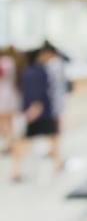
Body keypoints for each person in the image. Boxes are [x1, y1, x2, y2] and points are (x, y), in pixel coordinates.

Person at [11, 48, 63, 182]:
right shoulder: (40, 71)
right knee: (51, 136)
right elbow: (39, 91)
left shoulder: (25, 72)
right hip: (41, 110)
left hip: (31, 110)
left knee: (27, 139)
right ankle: (57, 163)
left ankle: (16, 170)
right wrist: (36, 107)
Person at [0, 48, 20, 152]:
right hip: (11, 93)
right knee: (9, 121)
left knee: (3, 121)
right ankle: (10, 142)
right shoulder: (12, 61)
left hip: (3, 95)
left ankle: (9, 143)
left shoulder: (3, 62)